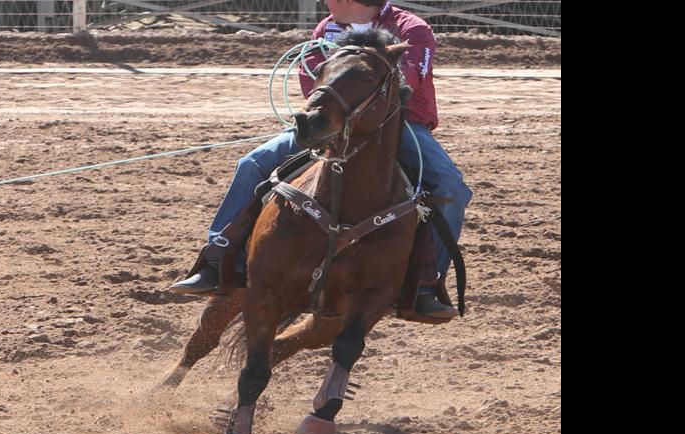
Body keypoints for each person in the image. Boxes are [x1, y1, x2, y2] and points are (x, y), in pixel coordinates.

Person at [170, 0, 471, 319]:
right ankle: (218, 261)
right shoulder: (326, 28)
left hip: (398, 125)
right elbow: (309, 80)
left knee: (450, 188)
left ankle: (424, 284)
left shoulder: (411, 30)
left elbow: (408, 79)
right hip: (333, 121)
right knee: (254, 163)